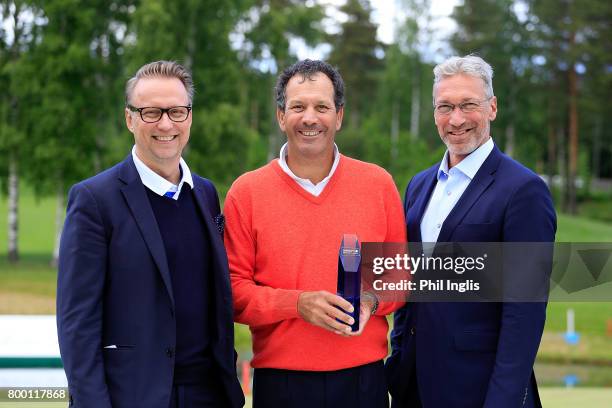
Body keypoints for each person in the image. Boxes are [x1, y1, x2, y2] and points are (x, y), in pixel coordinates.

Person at [57, 61, 244, 408]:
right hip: (133, 396)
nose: (165, 124)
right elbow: (76, 325)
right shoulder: (94, 200)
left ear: (189, 117)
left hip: (208, 394)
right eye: (150, 112)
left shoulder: (205, 194)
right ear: (129, 118)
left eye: (176, 111)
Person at [223, 59, 406, 408]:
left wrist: (370, 301)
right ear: (281, 117)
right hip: (281, 385)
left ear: (338, 116)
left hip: (363, 381)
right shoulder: (246, 192)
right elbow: (233, 291)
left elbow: (399, 275)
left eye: (321, 106)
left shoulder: (378, 185)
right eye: (298, 107)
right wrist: (298, 304)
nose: (310, 118)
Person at [386, 55, 556, 408]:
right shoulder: (418, 186)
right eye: (445, 106)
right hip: (413, 387)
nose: (456, 118)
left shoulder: (523, 190)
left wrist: (503, 401)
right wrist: (399, 355)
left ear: (492, 107)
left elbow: (524, 311)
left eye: (468, 105)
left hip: (480, 391)